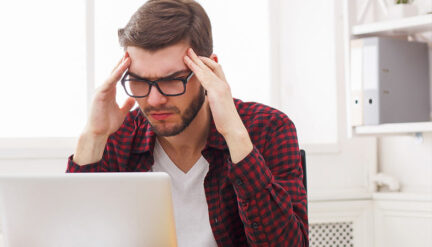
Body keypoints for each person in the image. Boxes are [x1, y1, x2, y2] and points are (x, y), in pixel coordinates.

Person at [66, 0, 308, 246]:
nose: (154, 99)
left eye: (172, 80)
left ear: (207, 71)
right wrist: (94, 135)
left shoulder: (268, 129)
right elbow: (72, 236)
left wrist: (235, 135)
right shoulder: (118, 135)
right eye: (139, 81)